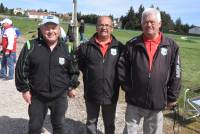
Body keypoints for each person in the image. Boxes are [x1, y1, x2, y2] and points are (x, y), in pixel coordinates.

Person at [118, 8, 181, 134]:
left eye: (152, 21)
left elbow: (177, 72)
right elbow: (121, 67)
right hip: (134, 100)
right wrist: (127, 86)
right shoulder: (132, 44)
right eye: (145, 22)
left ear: (159, 24)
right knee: (129, 131)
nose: (149, 25)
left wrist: (172, 96)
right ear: (141, 24)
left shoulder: (171, 46)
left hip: (156, 101)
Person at [15, 15, 80, 134]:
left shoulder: (67, 49)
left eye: (54, 28)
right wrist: (24, 90)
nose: (50, 31)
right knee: (34, 127)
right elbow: (21, 69)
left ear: (59, 29)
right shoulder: (31, 45)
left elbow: (74, 71)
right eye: (47, 28)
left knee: (59, 126)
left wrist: (71, 87)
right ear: (41, 29)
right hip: (37, 96)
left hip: (59, 96)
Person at [76, 16, 124, 134]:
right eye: (101, 25)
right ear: (96, 27)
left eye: (107, 25)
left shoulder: (120, 47)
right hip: (92, 93)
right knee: (91, 122)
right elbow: (78, 66)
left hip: (111, 94)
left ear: (112, 28)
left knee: (109, 123)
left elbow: (124, 69)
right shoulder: (85, 47)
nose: (104, 28)